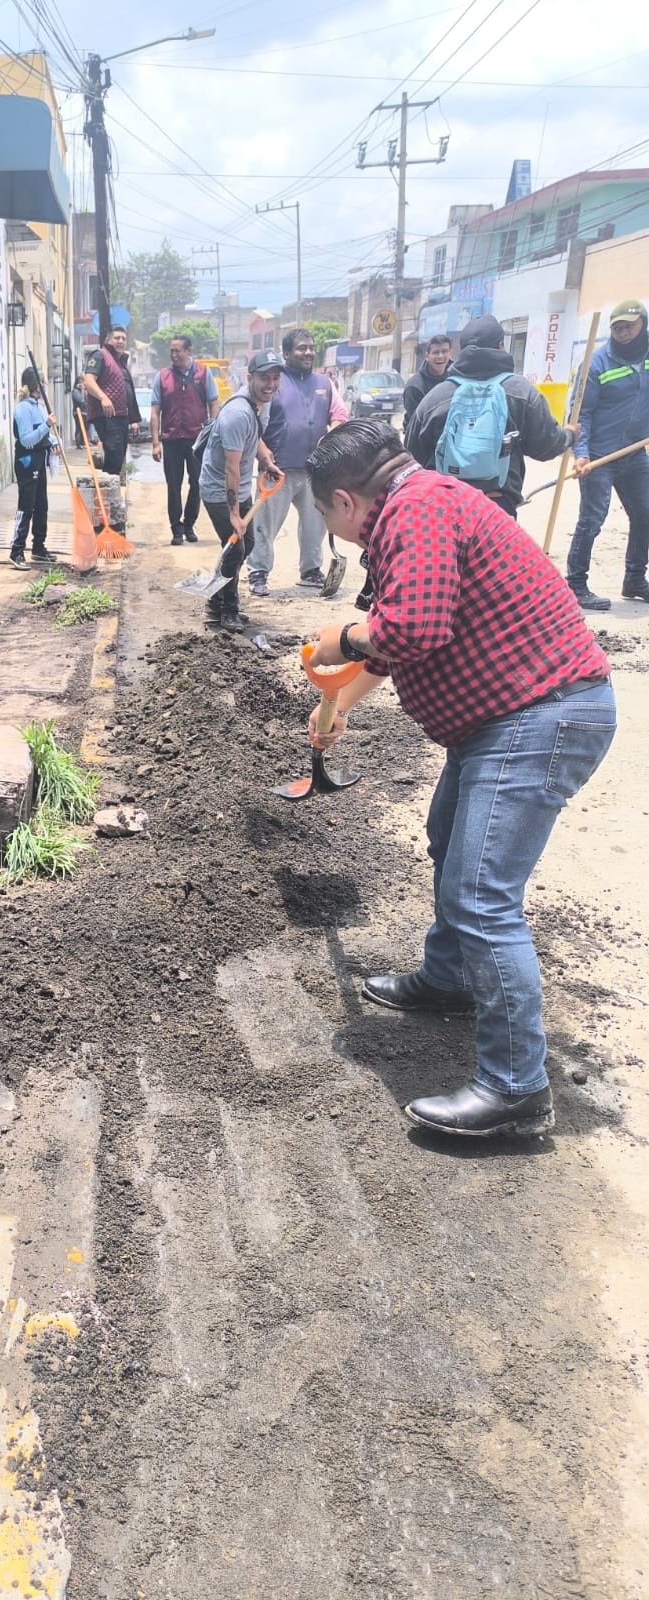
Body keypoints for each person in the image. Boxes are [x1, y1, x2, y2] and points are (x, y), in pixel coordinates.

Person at [304, 419, 615, 1140]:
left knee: (482, 896)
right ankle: (448, 980)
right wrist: (339, 708)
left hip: (539, 715)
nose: (333, 529)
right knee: (450, 843)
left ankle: (515, 1089)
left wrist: (339, 638)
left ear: (345, 501)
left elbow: (410, 630)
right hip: (505, 720)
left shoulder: (416, 511)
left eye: (324, 516)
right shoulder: (415, 508)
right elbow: (394, 646)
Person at [406, 313, 577, 520]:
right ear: (500, 346)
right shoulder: (521, 392)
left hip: (445, 506)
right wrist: (569, 435)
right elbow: (545, 446)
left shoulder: (435, 398)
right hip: (498, 506)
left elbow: (411, 456)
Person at [247, 327, 348, 596]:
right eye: (302, 348)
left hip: (315, 469)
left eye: (311, 348)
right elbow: (252, 423)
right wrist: (262, 454)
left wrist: (332, 432)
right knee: (265, 524)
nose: (308, 352)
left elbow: (339, 414)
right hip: (277, 469)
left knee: (316, 524)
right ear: (287, 353)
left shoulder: (324, 383)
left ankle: (311, 570)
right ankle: (258, 572)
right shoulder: (274, 383)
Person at [565, 298, 649, 611]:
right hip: (599, 456)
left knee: (645, 514)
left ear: (643, 324)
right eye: (617, 328)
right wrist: (581, 453)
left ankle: (635, 579)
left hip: (634, 452)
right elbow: (581, 414)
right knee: (592, 520)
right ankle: (575, 584)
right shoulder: (597, 363)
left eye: (629, 326)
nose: (623, 332)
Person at [196, 350, 285, 633]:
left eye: (275, 378)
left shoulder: (262, 403)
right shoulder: (236, 413)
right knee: (235, 549)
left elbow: (254, 436)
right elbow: (230, 468)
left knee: (248, 544)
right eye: (264, 378)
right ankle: (228, 610)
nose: (270, 384)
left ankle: (215, 599)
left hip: (241, 485)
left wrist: (265, 459)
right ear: (250, 378)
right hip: (218, 489)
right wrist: (234, 514)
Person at [149, 335, 220, 545]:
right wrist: (155, 443)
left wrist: (213, 433)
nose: (173, 355)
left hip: (197, 440)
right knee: (173, 485)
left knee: (197, 483)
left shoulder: (203, 373)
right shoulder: (162, 376)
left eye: (177, 351)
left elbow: (213, 404)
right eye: (171, 351)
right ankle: (176, 529)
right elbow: (155, 411)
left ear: (188, 351)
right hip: (171, 440)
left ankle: (189, 524)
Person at [9, 367, 56, 570]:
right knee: (26, 506)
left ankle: (38, 547)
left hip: (39, 460)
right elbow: (27, 439)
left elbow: (44, 434)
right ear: (35, 385)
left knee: (41, 505)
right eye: (42, 382)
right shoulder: (23, 409)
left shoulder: (38, 407)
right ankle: (16, 550)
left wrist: (53, 440)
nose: (44, 386)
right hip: (26, 462)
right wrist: (47, 425)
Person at [81, 326, 140, 475]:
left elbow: (127, 390)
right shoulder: (100, 355)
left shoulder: (120, 362)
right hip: (107, 416)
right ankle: (108, 487)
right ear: (108, 340)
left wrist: (133, 420)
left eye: (123, 339)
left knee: (118, 457)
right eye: (117, 338)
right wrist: (103, 398)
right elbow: (88, 380)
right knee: (114, 456)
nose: (121, 341)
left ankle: (111, 486)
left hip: (122, 416)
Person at [402, 334, 453, 429]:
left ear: (450, 353)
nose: (440, 356)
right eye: (436, 352)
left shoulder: (457, 379)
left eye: (444, 351)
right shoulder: (415, 387)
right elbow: (415, 425)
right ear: (427, 356)